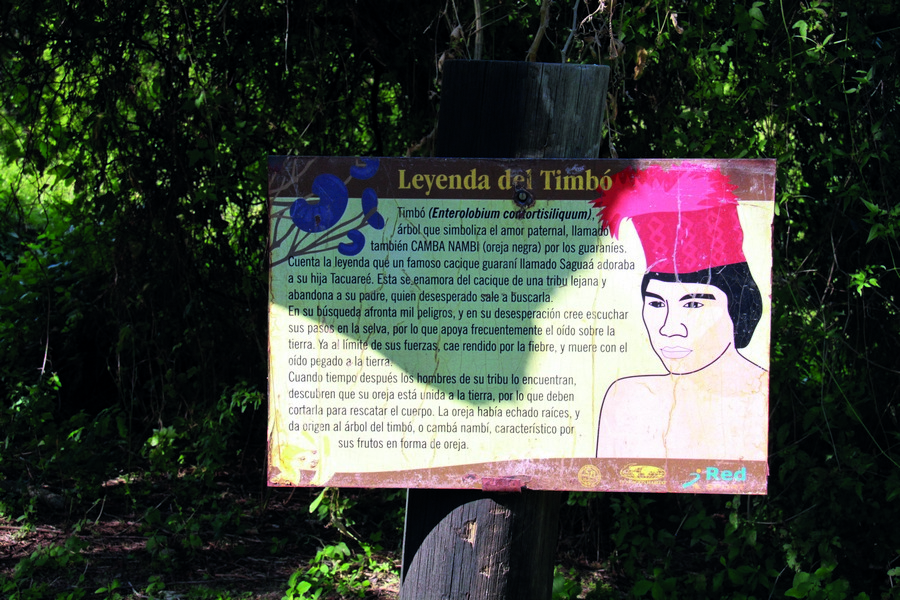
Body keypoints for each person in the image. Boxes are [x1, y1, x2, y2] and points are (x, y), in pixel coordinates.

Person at [593, 164, 768, 460]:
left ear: (738, 306)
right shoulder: (627, 399)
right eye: (657, 303)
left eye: (694, 304)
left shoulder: (761, 395)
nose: (669, 328)